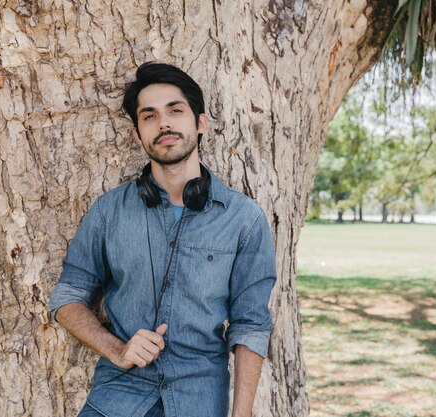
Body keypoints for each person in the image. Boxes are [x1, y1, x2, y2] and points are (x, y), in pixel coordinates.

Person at [49, 62, 277, 417]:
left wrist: (242, 413)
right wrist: (116, 349)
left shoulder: (244, 219)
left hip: (198, 401)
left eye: (175, 110)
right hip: (116, 400)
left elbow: (251, 326)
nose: (164, 123)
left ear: (200, 123)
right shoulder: (109, 211)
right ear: (138, 135)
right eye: (149, 116)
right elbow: (67, 296)